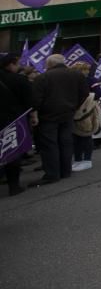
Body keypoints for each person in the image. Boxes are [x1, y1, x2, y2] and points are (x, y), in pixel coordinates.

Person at [31, 54, 90, 186]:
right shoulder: (77, 75)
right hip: (68, 113)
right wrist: (74, 106)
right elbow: (84, 93)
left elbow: (36, 99)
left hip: (48, 116)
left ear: (49, 64)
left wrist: (35, 113)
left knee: (50, 145)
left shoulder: (43, 77)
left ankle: (52, 174)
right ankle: (65, 170)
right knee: (65, 143)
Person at [0, 53, 33, 195]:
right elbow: (30, 102)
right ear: (11, 64)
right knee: (12, 151)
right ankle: (14, 186)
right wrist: (33, 116)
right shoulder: (19, 80)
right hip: (13, 121)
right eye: (17, 63)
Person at [70, 62, 99, 171]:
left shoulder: (91, 80)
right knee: (76, 136)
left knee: (86, 134)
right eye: (84, 69)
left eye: (87, 69)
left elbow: (99, 93)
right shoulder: (73, 80)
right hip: (74, 111)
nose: (86, 71)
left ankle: (87, 160)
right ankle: (78, 160)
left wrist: (88, 102)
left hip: (86, 111)